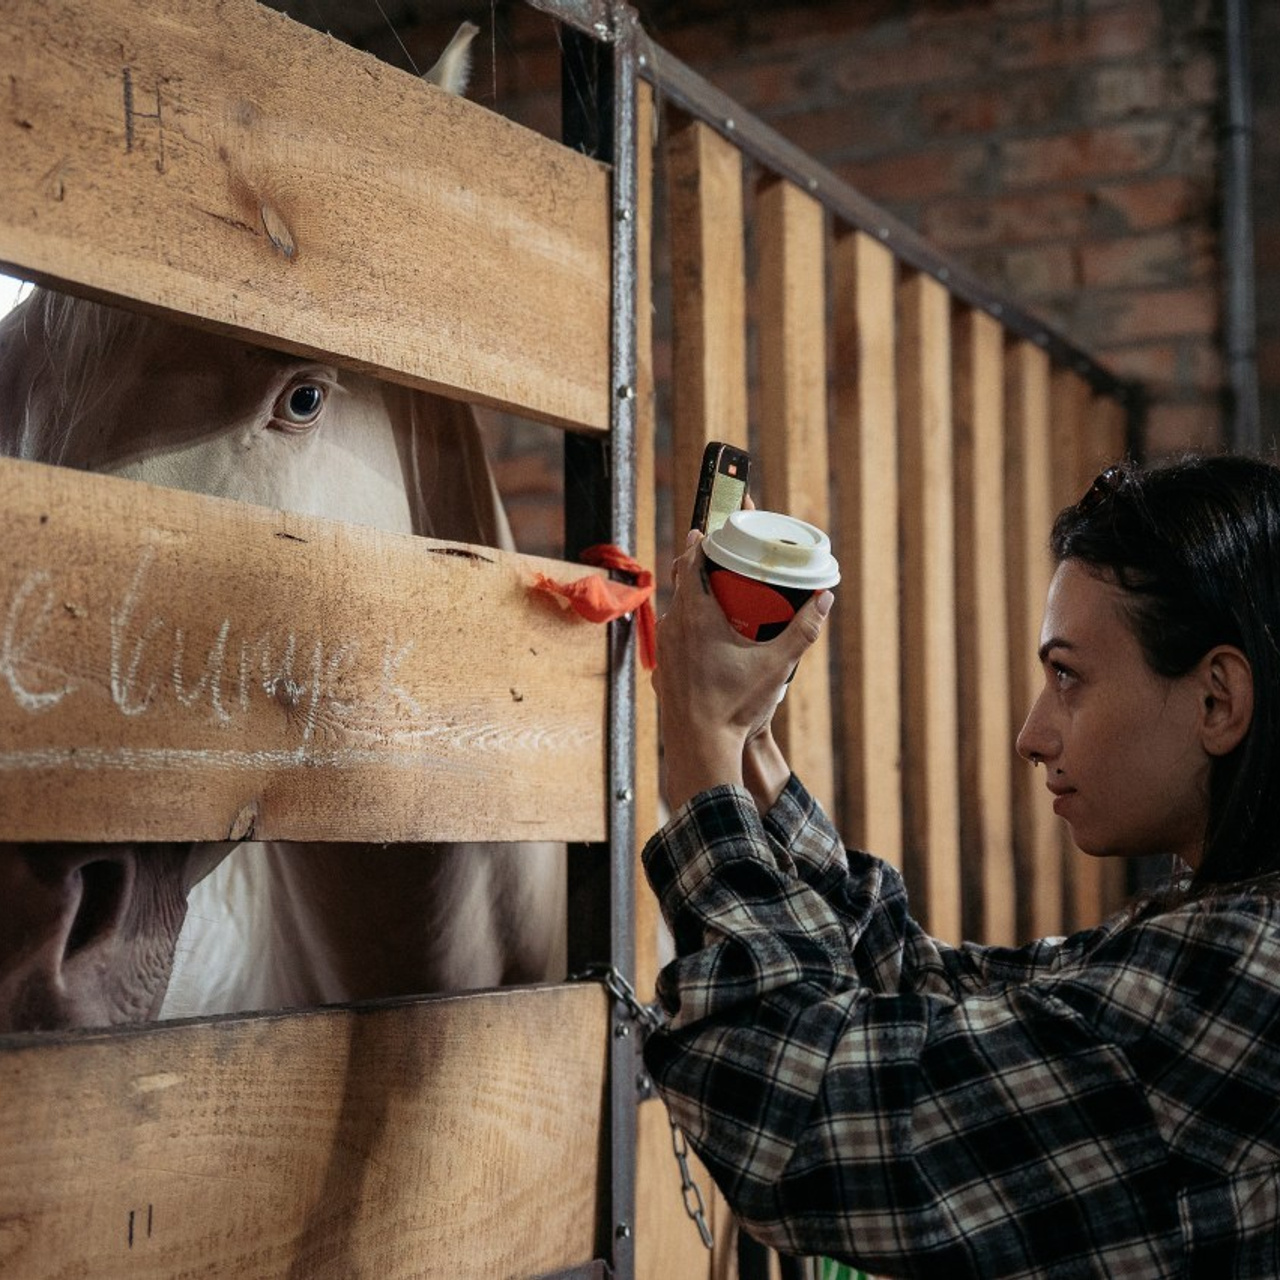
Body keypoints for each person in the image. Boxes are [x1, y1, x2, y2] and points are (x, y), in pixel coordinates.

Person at [641, 455, 1280, 1278]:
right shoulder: (1219, 931)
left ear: (1218, 700)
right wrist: (749, 744)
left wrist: (699, 743)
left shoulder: (1247, 969)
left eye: (1068, 677)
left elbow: (796, 1118)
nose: (1032, 735)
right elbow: (922, 988)